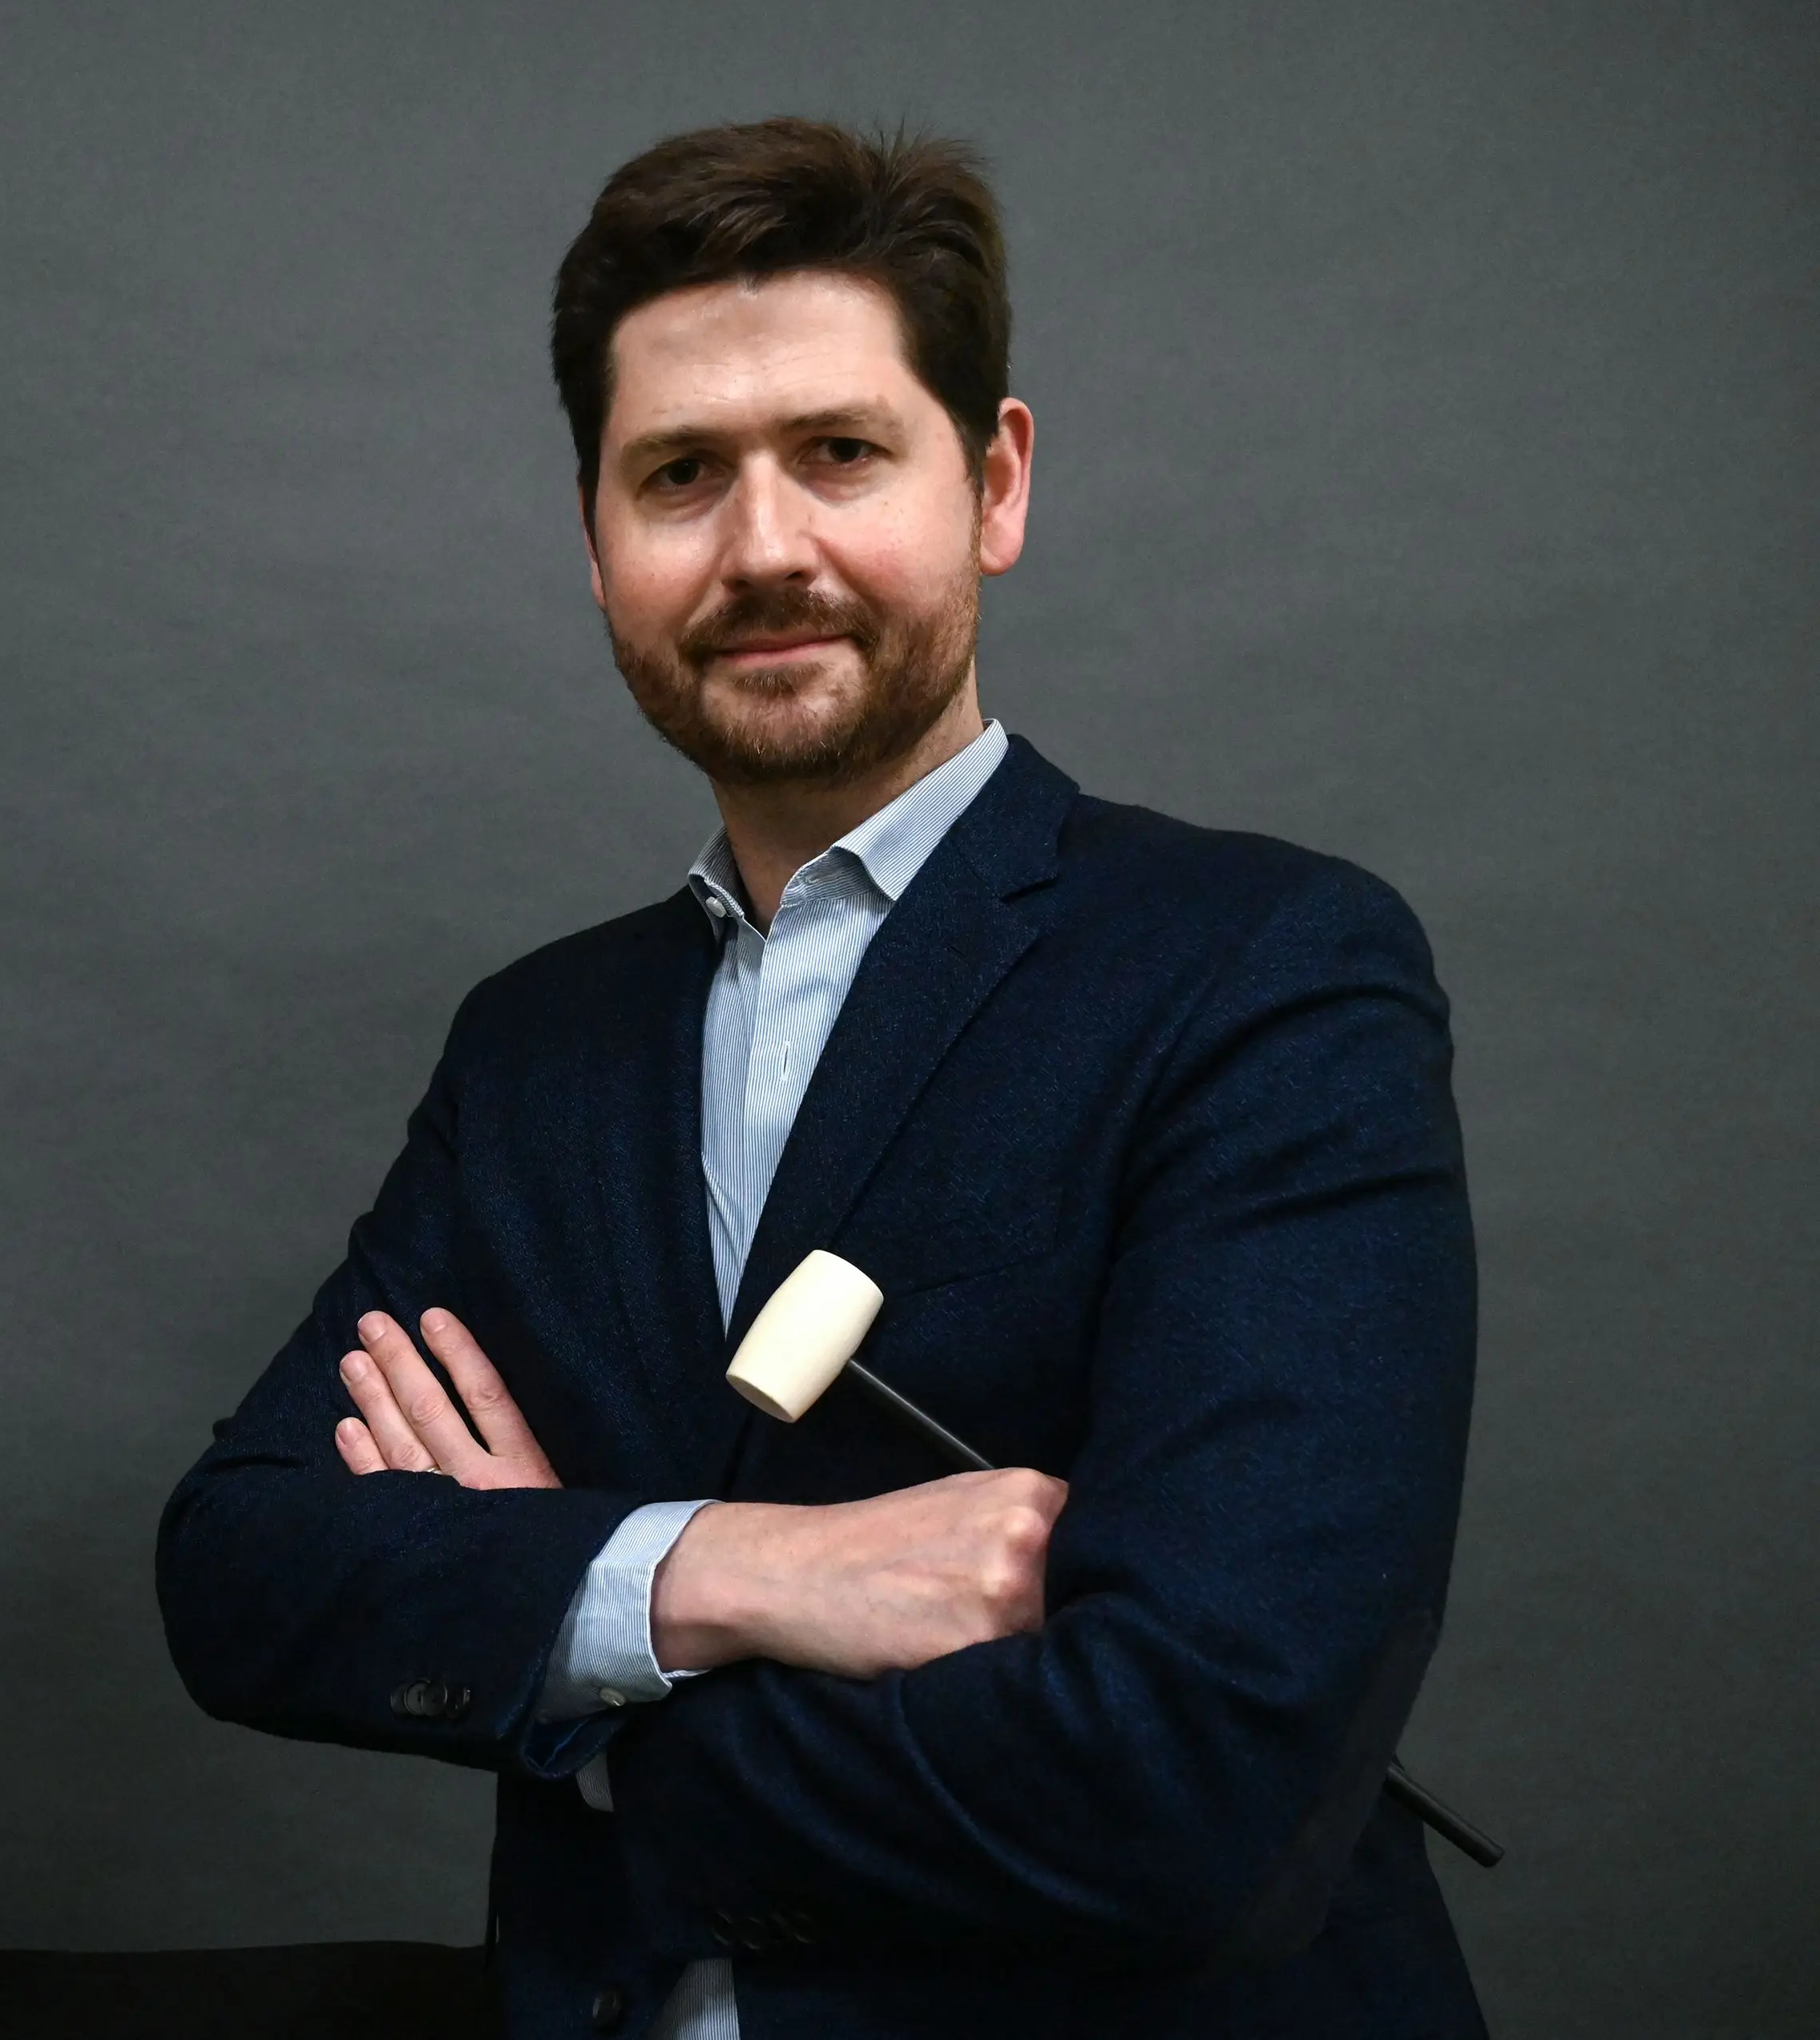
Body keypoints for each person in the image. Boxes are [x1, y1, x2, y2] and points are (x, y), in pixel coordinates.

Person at [155, 119, 1486, 2039]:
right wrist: (737, 1569)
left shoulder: (1266, 967)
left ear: (995, 483)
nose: (765, 547)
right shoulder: (538, 1047)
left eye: (842, 453)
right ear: (596, 542)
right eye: (680, 474)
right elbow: (245, 1569)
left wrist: (595, 1709)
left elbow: (1199, 1784)